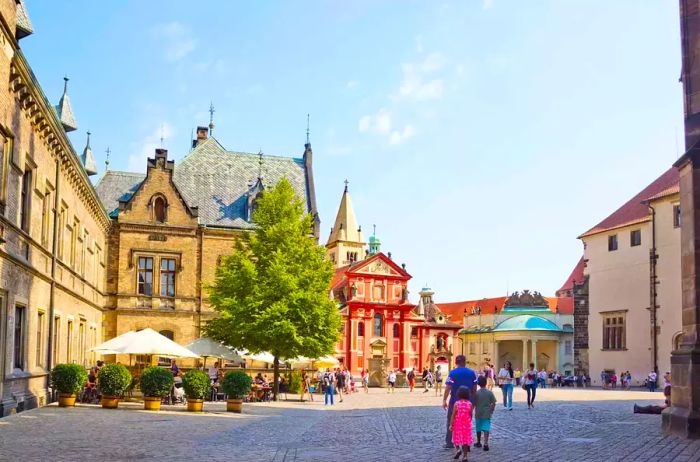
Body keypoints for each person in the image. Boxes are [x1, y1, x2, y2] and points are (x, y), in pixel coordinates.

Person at [442, 355, 477, 450]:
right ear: (465, 362)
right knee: (467, 422)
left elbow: (448, 387)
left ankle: (449, 442)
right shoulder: (472, 373)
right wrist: (474, 401)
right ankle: (467, 444)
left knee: (451, 421)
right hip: (468, 402)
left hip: (454, 402)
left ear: (456, 362)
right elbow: (474, 388)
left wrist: (444, 400)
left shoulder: (453, 373)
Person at [448, 386, 473, 461]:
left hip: (458, 424)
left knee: (456, 438)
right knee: (465, 441)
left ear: (459, 394)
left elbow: (453, 414)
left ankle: (458, 450)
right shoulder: (470, 404)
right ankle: (465, 456)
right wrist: (469, 421)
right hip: (466, 424)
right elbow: (471, 414)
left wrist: (451, 424)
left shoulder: (457, 403)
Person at [474, 375, 496, 451]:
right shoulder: (490, 393)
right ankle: (486, 443)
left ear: (478, 384)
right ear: (486, 383)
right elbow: (493, 403)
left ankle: (478, 441)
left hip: (478, 413)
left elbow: (474, 404)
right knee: (486, 428)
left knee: (478, 428)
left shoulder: (476, 393)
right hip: (486, 413)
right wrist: (491, 410)